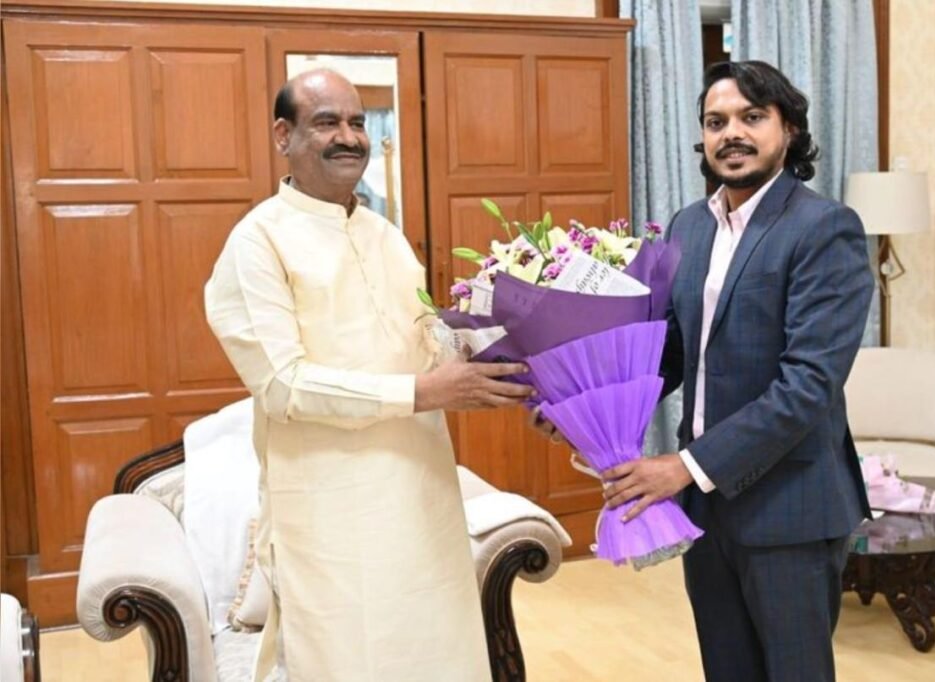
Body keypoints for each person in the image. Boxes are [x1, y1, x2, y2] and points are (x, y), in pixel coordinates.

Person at [538, 60, 874, 681]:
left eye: (752, 117)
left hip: (789, 508)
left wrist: (683, 466)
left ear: (790, 130)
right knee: (727, 670)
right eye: (716, 122)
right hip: (705, 508)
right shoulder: (691, 225)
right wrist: (579, 404)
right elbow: (668, 351)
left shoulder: (825, 228)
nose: (732, 134)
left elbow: (807, 387)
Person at [205, 68, 533, 681]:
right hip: (331, 516)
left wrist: (504, 361)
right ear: (284, 134)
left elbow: (427, 343)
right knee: (349, 661)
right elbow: (284, 386)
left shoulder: (385, 233)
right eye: (327, 122)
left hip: (421, 498)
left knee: (440, 657)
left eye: (357, 122)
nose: (349, 137)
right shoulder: (257, 243)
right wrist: (424, 392)